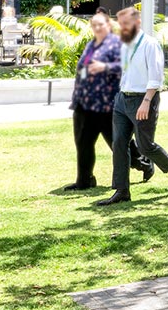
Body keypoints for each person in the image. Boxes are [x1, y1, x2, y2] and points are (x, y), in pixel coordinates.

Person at [97, 7, 168, 206]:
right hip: (122, 99)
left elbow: (155, 77)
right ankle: (121, 191)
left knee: (145, 145)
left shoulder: (150, 44)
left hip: (143, 100)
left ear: (137, 23)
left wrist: (146, 102)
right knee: (119, 144)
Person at [64, 10, 152, 191]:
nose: (97, 28)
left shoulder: (117, 44)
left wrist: (104, 67)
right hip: (84, 103)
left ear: (109, 25)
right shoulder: (91, 45)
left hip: (106, 105)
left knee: (118, 144)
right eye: (94, 25)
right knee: (83, 143)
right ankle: (84, 180)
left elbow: (126, 66)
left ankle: (143, 163)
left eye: (100, 24)